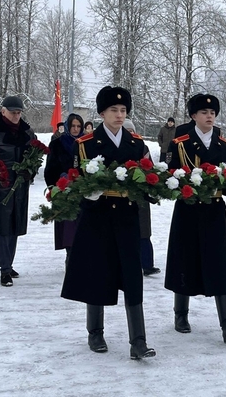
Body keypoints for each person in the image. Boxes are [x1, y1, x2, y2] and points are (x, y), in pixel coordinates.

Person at [61, 86, 156, 360]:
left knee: (132, 276)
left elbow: (146, 174)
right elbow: (78, 176)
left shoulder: (136, 143)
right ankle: (95, 331)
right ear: (102, 113)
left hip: (127, 217)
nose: (119, 115)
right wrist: (88, 190)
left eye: (123, 110)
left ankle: (138, 340)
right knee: (97, 272)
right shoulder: (87, 143)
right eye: (113, 110)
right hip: (98, 218)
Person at [165, 93, 226, 344]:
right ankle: (181, 314)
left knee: (218, 264)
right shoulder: (179, 143)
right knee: (184, 259)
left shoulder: (223, 145)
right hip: (188, 209)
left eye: (212, 113)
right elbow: (169, 177)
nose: (209, 116)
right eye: (203, 112)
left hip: (214, 210)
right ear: (193, 116)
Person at [0, 95, 37, 287]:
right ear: (3, 111)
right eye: (13, 112)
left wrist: (30, 172)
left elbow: (34, 157)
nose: (16, 116)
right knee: (3, 228)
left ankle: (9, 263)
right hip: (0, 187)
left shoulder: (27, 133)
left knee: (15, 226)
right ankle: (4, 269)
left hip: (19, 187)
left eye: (19, 113)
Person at [44, 113, 84, 263]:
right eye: (73, 126)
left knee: (81, 226)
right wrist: (55, 185)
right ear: (67, 126)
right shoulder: (57, 143)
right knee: (67, 227)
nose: (75, 129)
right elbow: (50, 168)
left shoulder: (85, 143)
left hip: (82, 190)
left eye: (78, 126)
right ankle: (70, 255)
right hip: (63, 190)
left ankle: (80, 256)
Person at [123, 119, 161, 276]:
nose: (130, 133)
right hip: (123, 196)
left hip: (141, 197)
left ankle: (147, 264)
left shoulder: (142, 147)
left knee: (144, 233)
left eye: (132, 130)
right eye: (127, 130)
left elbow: (149, 167)